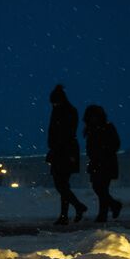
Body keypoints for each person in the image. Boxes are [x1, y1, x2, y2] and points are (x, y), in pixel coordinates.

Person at [46, 85, 87, 225]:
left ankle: (75, 208)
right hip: (64, 151)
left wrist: (55, 149)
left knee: (61, 185)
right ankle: (68, 213)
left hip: (64, 152)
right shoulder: (66, 111)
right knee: (63, 185)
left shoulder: (64, 112)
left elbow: (64, 134)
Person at [83, 105, 122, 222]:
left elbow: (115, 144)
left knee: (101, 188)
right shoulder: (92, 129)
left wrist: (103, 152)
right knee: (99, 188)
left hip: (105, 162)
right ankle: (110, 208)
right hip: (97, 162)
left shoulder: (107, 128)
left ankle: (104, 213)